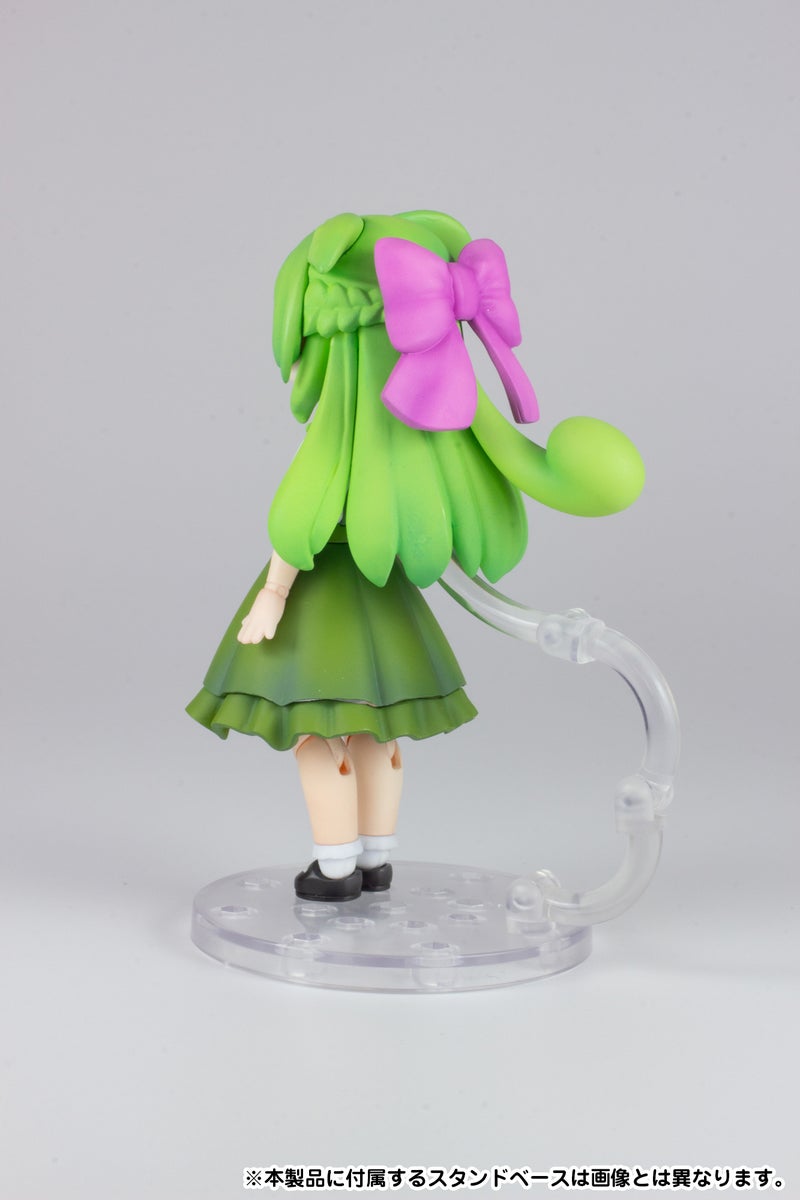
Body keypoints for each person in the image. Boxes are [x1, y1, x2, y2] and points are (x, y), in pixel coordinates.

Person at [187, 209, 644, 901]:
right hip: (386, 603)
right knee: (378, 735)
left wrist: (273, 593)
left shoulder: (338, 439)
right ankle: (376, 858)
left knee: (320, 738)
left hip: (320, 600)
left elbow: (300, 519)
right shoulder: (429, 437)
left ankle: (334, 867)